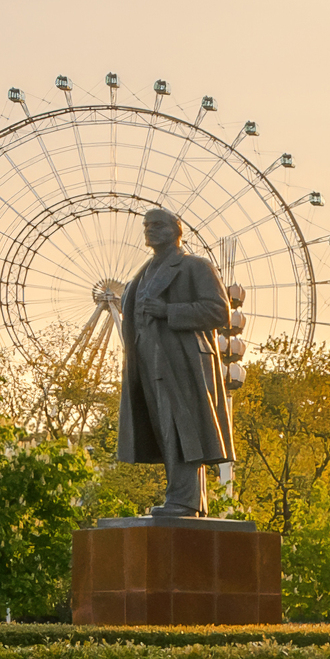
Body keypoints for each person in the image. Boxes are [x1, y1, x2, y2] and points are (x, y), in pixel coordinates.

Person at [115, 207, 240, 520]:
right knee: (165, 431)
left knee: (183, 428)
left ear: (176, 229)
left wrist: (168, 311)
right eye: (146, 225)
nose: (149, 230)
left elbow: (218, 312)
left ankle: (183, 500)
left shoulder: (195, 267)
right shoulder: (140, 276)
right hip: (146, 363)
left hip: (181, 362)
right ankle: (186, 499)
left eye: (157, 225)